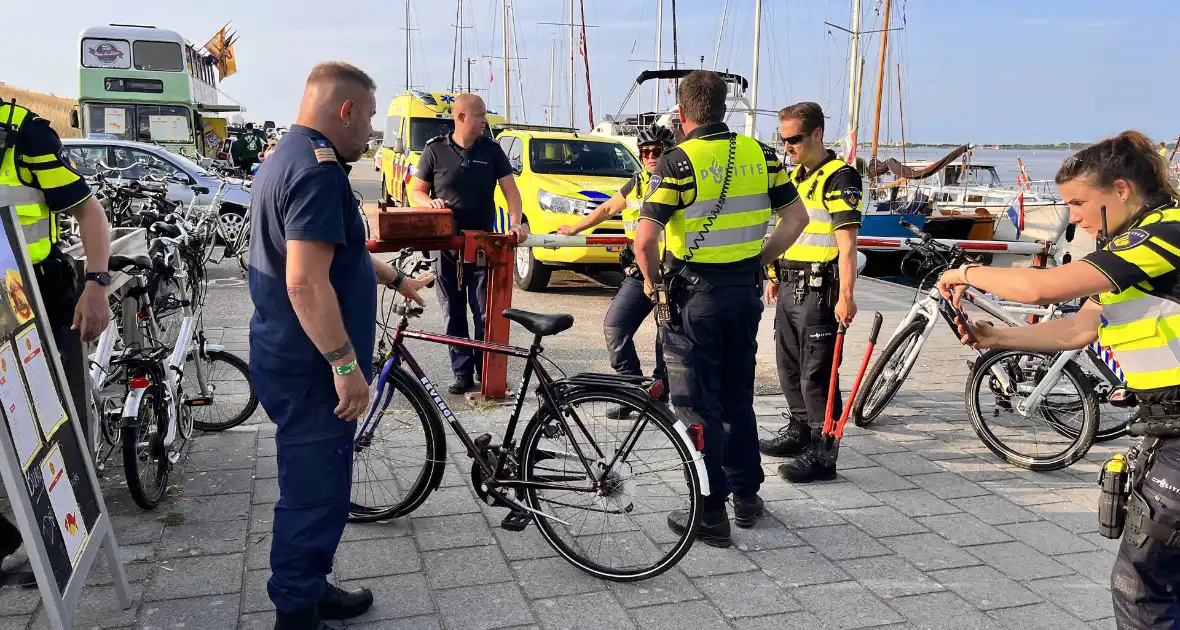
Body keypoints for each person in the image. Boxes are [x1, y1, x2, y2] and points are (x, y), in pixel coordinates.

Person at [935, 131, 1180, 630]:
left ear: (1121, 190)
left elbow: (1044, 286)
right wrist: (995, 339)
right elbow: (1081, 327)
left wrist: (966, 273)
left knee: (1142, 588)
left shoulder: (1167, 230)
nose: (1076, 218)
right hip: (1164, 426)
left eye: (1079, 203)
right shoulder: (1132, 248)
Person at [247, 62, 432, 630]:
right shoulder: (318, 171)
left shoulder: (287, 157)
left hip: (289, 355)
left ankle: (310, 585)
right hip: (311, 367)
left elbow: (340, 254)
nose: (371, 134)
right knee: (313, 492)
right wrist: (345, 365)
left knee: (322, 485)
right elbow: (304, 281)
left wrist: (398, 280)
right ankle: (297, 613)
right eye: (370, 119)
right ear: (345, 111)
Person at [633, 70, 810, 547]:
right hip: (743, 294)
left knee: (695, 404)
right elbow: (797, 218)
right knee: (737, 396)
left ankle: (710, 513)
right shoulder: (762, 154)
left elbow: (645, 239)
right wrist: (760, 259)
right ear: (724, 108)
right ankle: (747, 497)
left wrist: (652, 285)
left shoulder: (676, 163)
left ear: (682, 111)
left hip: (694, 298)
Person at [0, 99, 113, 586]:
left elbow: (89, 210)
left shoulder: (23, 134)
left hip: (35, 300)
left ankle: (62, 541)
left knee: (54, 420)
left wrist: (96, 284)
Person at [757, 102, 863, 483]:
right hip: (788, 284)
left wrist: (846, 295)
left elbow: (847, 245)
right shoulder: (797, 177)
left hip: (819, 290)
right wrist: (773, 274)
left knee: (816, 376)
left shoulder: (840, 178)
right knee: (788, 368)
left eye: (794, 139)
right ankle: (800, 430)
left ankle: (824, 452)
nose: (788, 147)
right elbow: (788, 231)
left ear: (817, 134)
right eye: (783, 140)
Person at [409, 93, 526, 394]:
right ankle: (462, 373)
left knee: (485, 311)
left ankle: (485, 369)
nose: (485, 120)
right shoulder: (434, 150)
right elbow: (416, 193)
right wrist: (429, 203)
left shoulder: (492, 150)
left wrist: (516, 221)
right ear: (462, 117)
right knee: (454, 312)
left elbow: (511, 191)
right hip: (445, 246)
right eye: (480, 115)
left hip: (483, 245)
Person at [557, 124, 674, 416]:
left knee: (667, 337)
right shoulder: (636, 182)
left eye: (657, 152)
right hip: (639, 272)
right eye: (645, 152)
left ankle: (660, 395)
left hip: (669, 275)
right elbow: (607, 209)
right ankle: (631, 391)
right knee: (615, 326)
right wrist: (574, 228)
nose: (650, 157)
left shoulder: (679, 182)